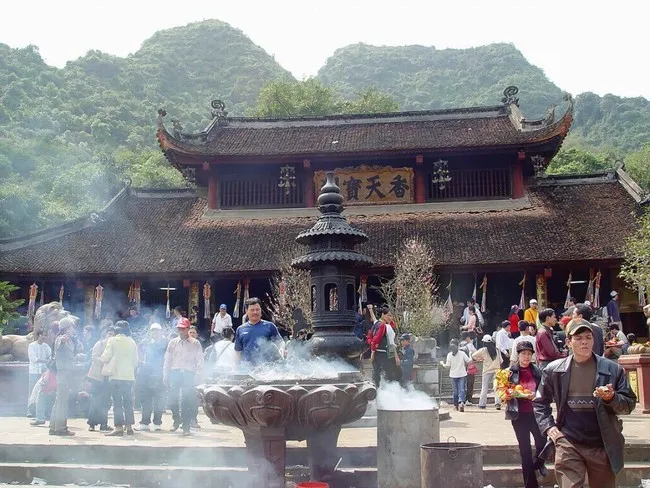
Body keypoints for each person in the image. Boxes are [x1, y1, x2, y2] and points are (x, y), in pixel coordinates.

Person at [534, 319, 636, 488]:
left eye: (588, 337)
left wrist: (612, 398)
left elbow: (629, 404)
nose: (584, 342)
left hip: (602, 444)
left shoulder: (612, 369)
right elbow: (539, 403)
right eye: (578, 338)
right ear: (568, 342)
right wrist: (550, 429)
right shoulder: (554, 370)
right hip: (568, 441)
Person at [504, 341, 547, 488]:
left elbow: (545, 392)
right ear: (518, 355)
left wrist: (537, 396)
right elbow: (503, 391)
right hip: (519, 415)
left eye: (529, 354)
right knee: (525, 450)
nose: (526, 357)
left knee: (542, 442)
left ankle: (538, 463)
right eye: (524, 354)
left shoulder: (537, 371)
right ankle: (530, 485)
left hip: (536, 414)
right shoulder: (509, 372)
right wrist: (508, 396)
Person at [163, 317, 204, 436]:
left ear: (187, 329)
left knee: (186, 400)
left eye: (183, 329)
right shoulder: (172, 342)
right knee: (172, 399)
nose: (180, 331)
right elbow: (167, 360)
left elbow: (200, 361)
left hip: (188, 373)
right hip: (174, 373)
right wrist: (165, 374)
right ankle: (176, 419)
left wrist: (198, 375)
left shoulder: (195, 343)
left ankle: (186, 427)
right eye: (179, 329)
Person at [101, 322, 138, 436]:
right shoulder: (132, 342)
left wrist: (101, 358)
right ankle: (129, 426)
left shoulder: (112, 340)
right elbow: (135, 361)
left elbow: (106, 357)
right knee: (128, 401)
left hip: (115, 376)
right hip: (129, 376)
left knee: (117, 402)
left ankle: (118, 427)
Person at [234, 297, 284, 367]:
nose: (255, 312)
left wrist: (281, 349)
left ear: (261, 310)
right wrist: (236, 368)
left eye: (257, 309)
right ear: (246, 311)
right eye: (252, 310)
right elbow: (238, 351)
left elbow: (280, 341)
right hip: (247, 368)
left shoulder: (269, 326)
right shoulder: (240, 329)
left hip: (266, 368)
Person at [137, 323, 168, 432]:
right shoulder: (146, 343)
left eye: (157, 330)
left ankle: (157, 423)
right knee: (146, 400)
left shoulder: (166, 344)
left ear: (161, 331)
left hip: (159, 375)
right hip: (147, 375)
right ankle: (145, 422)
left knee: (159, 400)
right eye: (153, 331)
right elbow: (140, 355)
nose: (155, 333)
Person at [49, 317, 76, 436]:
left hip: (64, 372)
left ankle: (53, 426)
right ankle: (60, 428)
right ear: (66, 328)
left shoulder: (68, 339)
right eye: (71, 327)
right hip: (64, 372)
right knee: (62, 401)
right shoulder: (62, 338)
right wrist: (64, 340)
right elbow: (60, 344)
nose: (73, 329)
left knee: (59, 400)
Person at [86, 326, 115, 432]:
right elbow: (94, 357)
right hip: (97, 377)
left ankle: (104, 424)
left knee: (105, 401)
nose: (111, 336)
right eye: (109, 334)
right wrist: (105, 361)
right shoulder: (100, 344)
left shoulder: (114, 346)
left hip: (108, 376)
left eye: (113, 335)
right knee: (96, 400)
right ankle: (92, 424)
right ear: (105, 334)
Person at [367, 304, 401, 387]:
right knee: (389, 374)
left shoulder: (377, 324)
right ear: (383, 315)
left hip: (377, 353)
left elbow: (370, 338)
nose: (391, 318)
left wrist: (370, 309)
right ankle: (389, 392)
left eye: (392, 316)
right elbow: (390, 343)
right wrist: (396, 357)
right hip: (385, 354)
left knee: (377, 375)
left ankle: (378, 393)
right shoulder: (384, 326)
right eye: (389, 315)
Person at [472, 334, 503, 410]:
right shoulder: (497, 350)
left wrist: (480, 359)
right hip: (497, 371)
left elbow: (473, 356)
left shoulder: (483, 350)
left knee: (484, 388)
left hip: (486, 371)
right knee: (497, 388)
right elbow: (501, 361)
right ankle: (498, 403)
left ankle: (482, 404)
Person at [440, 340, 470, 412]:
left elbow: (447, 366)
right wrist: (471, 355)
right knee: (462, 389)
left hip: (453, 375)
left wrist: (442, 363)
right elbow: (469, 361)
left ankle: (456, 405)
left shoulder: (449, 355)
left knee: (455, 391)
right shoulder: (462, 353)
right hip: (462, 374)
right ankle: (461, 402)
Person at [27, 330, 51, 417]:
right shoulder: (32, 346)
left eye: (45, 335)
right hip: (34, 371)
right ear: (38, 336)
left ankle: (41, 412)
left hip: (43, 373)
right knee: (32, 391)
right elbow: (34, 359)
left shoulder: (46, 346)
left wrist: (48, 361)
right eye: (42, 335)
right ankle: (29, 411)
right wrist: (45, 360)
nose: (44, 337)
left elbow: (50, 356)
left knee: (42, 392)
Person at [459, 331, 478, 405]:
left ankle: (461, 399)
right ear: (467, 337)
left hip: (460, 367)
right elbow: (476, 353)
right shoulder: (470, 345)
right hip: (469, 367)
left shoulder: (458, 345)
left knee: (461, 384)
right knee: (470, 383)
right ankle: (468, 399)